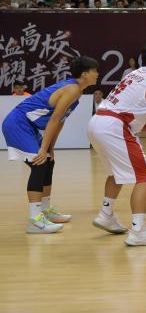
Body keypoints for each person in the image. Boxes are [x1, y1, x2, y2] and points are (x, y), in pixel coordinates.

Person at [2, 56, 99, 234]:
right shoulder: (72, 89)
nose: (97, 74)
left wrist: (50, 148)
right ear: (84, 74)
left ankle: (46, 211)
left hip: (28, 126)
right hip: (18, 123)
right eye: (94, 71)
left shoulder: (76, 92)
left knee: (48, 162)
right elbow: (53, 120)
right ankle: (35, 221)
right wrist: (42, 149)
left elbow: (60, 121)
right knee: (39, 165)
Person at [88, 42, 146, 246]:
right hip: (115, 125)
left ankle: (106, 214)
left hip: (97, 121)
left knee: (115, 172)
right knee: (145, 176)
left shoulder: (135, 73)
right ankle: (138, 231)